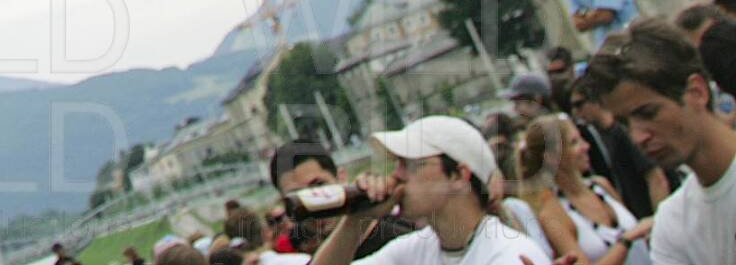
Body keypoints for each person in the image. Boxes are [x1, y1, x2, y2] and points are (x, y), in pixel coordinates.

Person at [586, 19, 736, 265]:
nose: (638, 136)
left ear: (697, 92)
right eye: (624, 123)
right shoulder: (672, 223)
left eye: (648, 113)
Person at [302, 117, 547, 265]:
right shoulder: (417, 249)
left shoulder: (508, 254)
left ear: (459, 176)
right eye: (397, 164)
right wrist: (356, 220)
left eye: (410, 164)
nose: (397, 175)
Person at [517, 112, 650, 265]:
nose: (586, 146)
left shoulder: (600, 185)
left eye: (581, 139)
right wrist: (626, 240)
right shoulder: (553, 213)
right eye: (574, 142)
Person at [270, 138, 415, 260]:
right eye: (298, 196)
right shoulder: (307, 257)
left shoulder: (404, 239)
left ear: (341, 177)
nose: (312, 202)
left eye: (319, 186)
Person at [571, 73, 667, 219]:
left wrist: (659, 219)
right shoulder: (601, 137)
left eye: (579, 105)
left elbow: (656, 177)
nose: (576, 112)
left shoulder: (623, 132)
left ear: (596, 101)